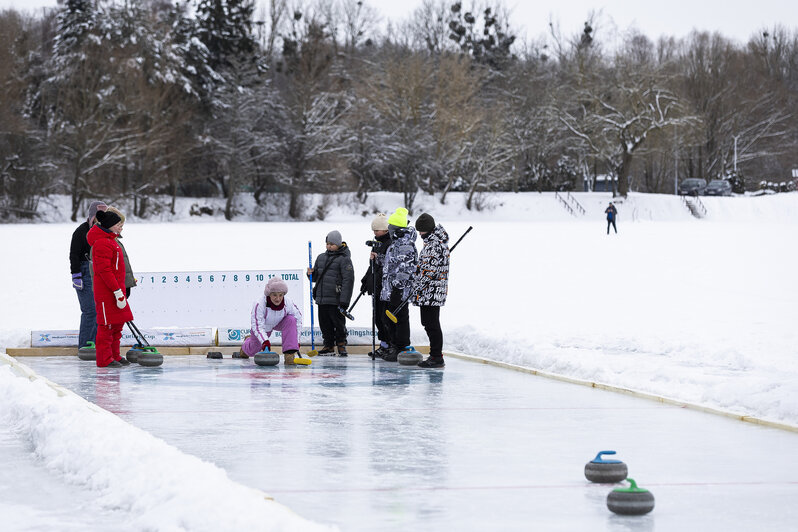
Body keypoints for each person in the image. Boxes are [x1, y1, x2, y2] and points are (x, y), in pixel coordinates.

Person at [86, 209, 133, 368]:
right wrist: (116, 291)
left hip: (116, 290)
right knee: (107, 326)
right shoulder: (101, 243)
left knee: (117, 324)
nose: (121, 228)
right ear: (110, 225)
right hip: (107, 292)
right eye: (119, 225)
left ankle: (114, 355)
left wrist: (122, 288)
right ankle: (104, 359)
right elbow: (104, 271)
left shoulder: (111, 240)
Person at [306, 230, 354, 356]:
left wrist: (345, 300)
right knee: (324, 323)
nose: (329, 246)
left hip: (336, 298)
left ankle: (341, 344)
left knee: (338, 323)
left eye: (332, 244)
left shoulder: (344, 259)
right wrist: (310, 274)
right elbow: (316, 278)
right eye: (327, 244)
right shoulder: (321, 257)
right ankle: (328, 345)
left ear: (338, 244)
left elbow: (348, 281)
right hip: (322, 298)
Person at [411, 213, 450, 368]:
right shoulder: (433, 243)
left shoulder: (434, 245)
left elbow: (428, 271)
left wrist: (416, 287)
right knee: (428, 322)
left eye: (421, 231)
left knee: (431, 323)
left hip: (432, 291)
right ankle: (435, 355)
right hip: (429, 291)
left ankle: (436, 356)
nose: (420, 234)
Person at [380, 208, 418, 362]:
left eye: (390, 227)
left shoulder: (405, 244)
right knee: (390, 317)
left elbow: (406, 268)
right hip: (391, 288)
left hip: (399, 290)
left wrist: (397, 287)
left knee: (400, 317)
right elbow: (392, 265)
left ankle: (401, 346)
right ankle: (394, 344)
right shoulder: (395, 243)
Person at [240, 276, 303, 365]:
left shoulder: (288, 303)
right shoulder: (259, 304)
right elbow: (257, 326)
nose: (278, 299)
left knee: (291, 320)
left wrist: (296, 341)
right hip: (264, 326)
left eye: (280, 295)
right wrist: (265, 341)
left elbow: (298, 320)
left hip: (279, 322)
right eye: (274, 295)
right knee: (253, 350)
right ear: (269, 294)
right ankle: (246, 345)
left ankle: (289, 355)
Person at [69, 200, 106, 351]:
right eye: (99, 215)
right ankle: (85, 346)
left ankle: (95, 344)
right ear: (93, 216)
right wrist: (76, 274)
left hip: (99, 272)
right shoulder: (81, 231)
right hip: (85, 271)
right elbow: (74, 254)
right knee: (90, 310)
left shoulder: (105, 231)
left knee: (99, 310)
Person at [360, 213, 391, 358]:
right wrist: (366, 280)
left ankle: (389, 344)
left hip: (384, 287)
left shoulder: (389, 243)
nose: (374, 233)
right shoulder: (377, 243)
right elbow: (372, 265)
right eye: (373, 231)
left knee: (384, 318)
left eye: (377, 230)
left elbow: (387, 266)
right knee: (377, 317)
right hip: (376, 285)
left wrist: (377, 259)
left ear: (385, 230)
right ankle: (383, 344)